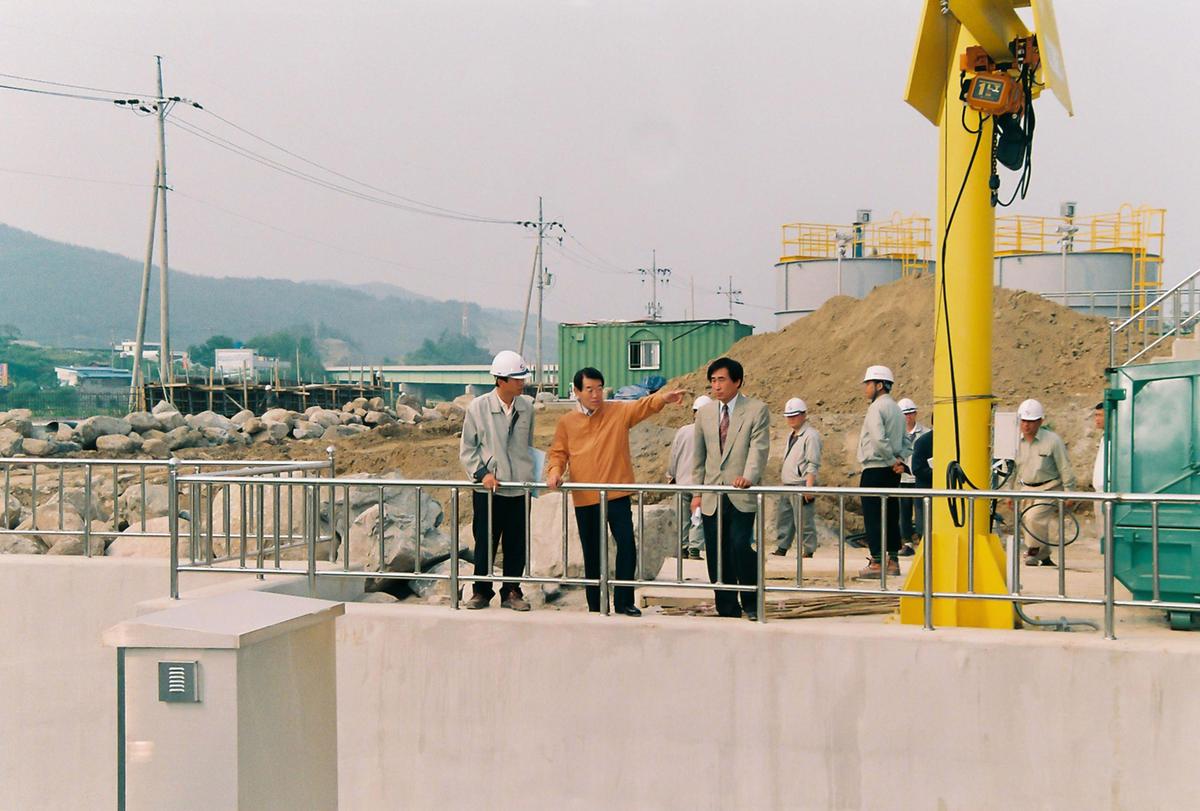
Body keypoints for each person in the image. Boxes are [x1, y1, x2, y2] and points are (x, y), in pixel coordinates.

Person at [546, 368, 685, 616]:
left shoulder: (617, 411)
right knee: (592, 552)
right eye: (589, 389)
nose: (596, 394)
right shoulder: (567, 422)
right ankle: (595, 604)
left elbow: (642, 406)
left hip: (617, 494)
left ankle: (623, 601)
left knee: (626, 546)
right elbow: (558, 453)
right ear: (576, 391)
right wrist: (555, 471)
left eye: (599, 388)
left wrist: (663, 398)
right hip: (585, 496)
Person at [691, 358, 771, 619]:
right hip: (713, 494)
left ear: (737, 381)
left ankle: (751, 601)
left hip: (741, 492)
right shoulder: (705, 414)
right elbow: (698, 457)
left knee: (739, 544)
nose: (716, 386)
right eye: (713, 381)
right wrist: (697, 494)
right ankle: (726, 606)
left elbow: (758, 449)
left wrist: (748, 476)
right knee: (716, 551)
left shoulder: (756, 410)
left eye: (721, 379)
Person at [458, 350, 536, 611]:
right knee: (485, 542)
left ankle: (512, 591)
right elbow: (467, 450)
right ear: (501, 380)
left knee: (516, 543)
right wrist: (483, 474)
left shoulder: (527, 408)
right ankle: (481, 592)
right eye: (517, 379)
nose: (522, 383)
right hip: (489, 490)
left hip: (519, 489)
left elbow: (528, 445)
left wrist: (529, 477)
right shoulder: (478, 408)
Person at [1008, 398, 1076, 566]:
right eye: (1023, 421)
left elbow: (1064, 466)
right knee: (1027, 521)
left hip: (1049, 487)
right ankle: (1044, 555)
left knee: (1033, 517)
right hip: (1026, 487)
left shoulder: (1053, 441)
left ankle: (1032, 551)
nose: (1026, 425)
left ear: (1040, 421)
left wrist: (1069, 492)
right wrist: (1009, 493)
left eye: (1031, 421)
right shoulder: (1014, 442)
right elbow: (1012, 470)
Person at [855, 365, 906, 580]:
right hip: (892, 471)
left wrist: (890, 459)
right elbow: (906, 440)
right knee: (891, 514)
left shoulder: (876, 408)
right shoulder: (897, 409)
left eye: (868, 384)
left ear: (879, 385)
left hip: (876, 468)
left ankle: (877, 560)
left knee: (874, 516)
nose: (866, 388)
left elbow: (878, 438)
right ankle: (893, 560)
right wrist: (899, 461)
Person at [772, 397, 822, 558]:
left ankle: (808, 550)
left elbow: (812, 462)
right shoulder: (792, 435)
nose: (791, 419)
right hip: (788, 484)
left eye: (795, 415)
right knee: (784, 518)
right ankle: (782, 547)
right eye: (789, 416)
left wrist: (809, 487)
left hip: (801, 484)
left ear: (803, 415)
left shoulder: (811, 436)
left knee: (804, 520)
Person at [667, 395, 713, 560]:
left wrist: (671, 474)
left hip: (681, 480)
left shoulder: (683, 431)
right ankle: (694, 547)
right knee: (698, 515)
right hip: (700, 483)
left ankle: (683, 546)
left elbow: (674, 455)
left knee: (682, 517)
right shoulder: (712, 433)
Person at [896, 398, 930, 557]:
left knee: (921, 511)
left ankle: (924, 540)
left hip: (919, 480)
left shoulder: (925, 433)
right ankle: (907, 542)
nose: (908, 417)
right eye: (904, 414)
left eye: (910, 413)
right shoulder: (895, 435)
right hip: (903, 479)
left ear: (915, 414)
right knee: (904, 512)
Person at [1091, 402, 1107, 547]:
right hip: (1099, 492)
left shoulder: (1115, 438)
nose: (1097, 419)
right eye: (1096, 415)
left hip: (1107, 491)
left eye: (1100, 415)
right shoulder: (1104, 437)